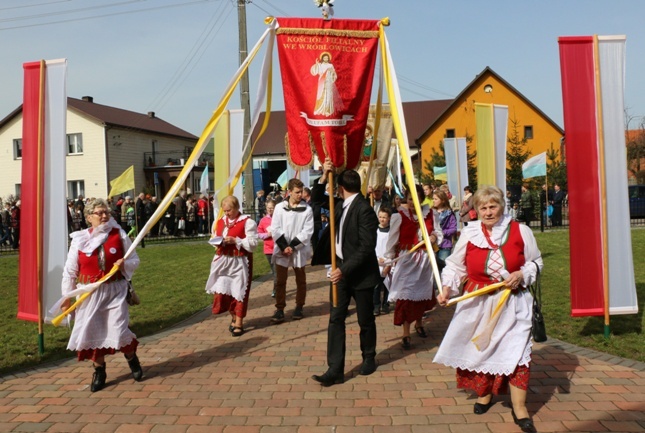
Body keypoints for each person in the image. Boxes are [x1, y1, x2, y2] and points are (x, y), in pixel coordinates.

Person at [434, 185, 543, 433]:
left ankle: (520, 407)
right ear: (476, 210)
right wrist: (447, 289)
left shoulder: (520, 230)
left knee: (517, 353)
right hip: (477, 302)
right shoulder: (470, 234)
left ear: (501, 206)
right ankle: (484, 394)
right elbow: (454, 266)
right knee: (481, 352)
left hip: (513, 302)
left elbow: (536, 262)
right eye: (482, 207)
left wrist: (521, 273)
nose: (488, 211)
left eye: (492, 206)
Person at [59, 198, 142, 392]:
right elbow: (69, 272)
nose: (105, 216)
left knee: (119, 329)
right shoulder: (79, 239)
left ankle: (132, 360)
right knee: (91, 332)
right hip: (89, 293)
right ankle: (99, 371)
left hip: (115, 290)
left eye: (107, 212)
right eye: (99, 213)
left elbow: (134, 260)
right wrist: (66, 298)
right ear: (89, 217)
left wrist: (124, 264)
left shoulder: (119, 234)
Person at [311, 158, 380, 386]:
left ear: (340, 188)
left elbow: (366, 247)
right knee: (336, 318)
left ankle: (368, 357)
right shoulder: (339, 204)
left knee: (365, 320)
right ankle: (335, 369)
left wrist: (343, 270)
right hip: (340, 270)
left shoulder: (364, 210)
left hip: (360, 273)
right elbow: (317, 200)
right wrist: (323, 176)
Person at [385, 185, 442, 350]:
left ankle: (419, 323)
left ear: (422, 199)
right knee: (405, 295)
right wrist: (388, 260)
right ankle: (405, 332)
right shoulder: (399, 215)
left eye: (416, 199)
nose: (413, 203)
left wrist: (433, 237)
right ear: (406, 198)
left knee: (422, 294)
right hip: (407, 259)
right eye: (410, 199)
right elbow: (392, 239)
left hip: (424, 260)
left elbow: (438, 232)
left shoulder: (431, 213)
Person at [205, 196, 258, 337]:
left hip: (239, 262)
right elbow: (214, 237)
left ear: (236, 208)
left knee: (239, 292)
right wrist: (218, 242)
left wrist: (236, 240)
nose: (227, 213)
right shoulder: (220, 221)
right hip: (223, 261)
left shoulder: (247, 222)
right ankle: (233, 316)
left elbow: (253, 243)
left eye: (229, 210)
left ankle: (239, 322)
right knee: (224, 292)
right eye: (225, 210)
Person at [270, 178, 314, 322]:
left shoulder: (307, 209)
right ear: (289, 192)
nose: (300, 195)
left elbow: (307, 231)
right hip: (282, 249)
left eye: (301, 192)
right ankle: (280, 308)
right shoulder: (279, 207)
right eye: (297, 192)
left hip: (298, 249)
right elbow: (275, 227)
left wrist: (293, 246)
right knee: (280, 281)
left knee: (300, 280)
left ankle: (299, 306)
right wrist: (284, 246)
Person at [310, 52, 344, 117]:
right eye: (324, 57)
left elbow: (334, 74)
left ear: (328, 58)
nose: (326, 58)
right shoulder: (320, 65)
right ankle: (320, 109)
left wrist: (332, 71)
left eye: (327, 58)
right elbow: (315, 72)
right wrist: (317, 64)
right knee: (321, 94)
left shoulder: (330, 65)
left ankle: (328, 110)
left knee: (328, 95)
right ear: (322, 58)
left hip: (329, 81)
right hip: (322, 81)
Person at [373, 207, 392, 316]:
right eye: (380, 217)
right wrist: (376, 258)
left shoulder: (391, 231)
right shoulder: (375, 230)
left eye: (384, 217)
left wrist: (388, 261)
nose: (382, 219)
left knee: (387, 284)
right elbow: (373, 246)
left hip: (388, 260)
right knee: (376, 285)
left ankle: (385, 304)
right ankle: (376, 305)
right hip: (376, 260)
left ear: (389, 218)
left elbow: (392, 247)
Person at [433, 190, 458, 271]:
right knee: (432, 270)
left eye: (436, 199)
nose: (433, 201)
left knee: (443, 269)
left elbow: (453, 229)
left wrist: (442, 233)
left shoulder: (449, 213)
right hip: (432, 245)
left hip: (444, 245)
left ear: (442, 200)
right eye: (433, 199)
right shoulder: (430, 212)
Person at [257, 199, 277, 297]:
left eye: (272, 208)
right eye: (268, 208)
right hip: (268, 249)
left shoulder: (279, 218)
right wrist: (267, 234)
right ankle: (278, 288)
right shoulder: (263, 220)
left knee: (277, 271)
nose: (270, 210)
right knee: (274, 271)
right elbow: (259, 234)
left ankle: (276, 290)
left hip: (279, 248)